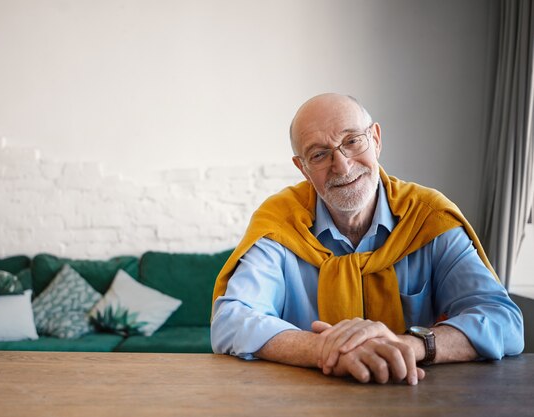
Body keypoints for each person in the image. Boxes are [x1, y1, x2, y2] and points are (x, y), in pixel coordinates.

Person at [210, 93, 524, 385]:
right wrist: (325, 350)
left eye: (352, 141)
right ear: (302, 168)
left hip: (418, 396)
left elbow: (503, 322)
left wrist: (406, 346)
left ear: (375, 139)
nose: (342, 165)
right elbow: (231, 319)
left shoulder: (428, 217)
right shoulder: (280, 221)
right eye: (319, 154)